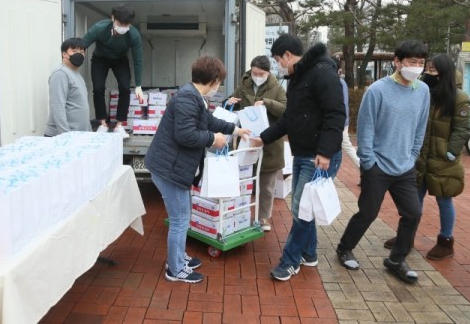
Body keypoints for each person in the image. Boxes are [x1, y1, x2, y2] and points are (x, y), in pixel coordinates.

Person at [144, 55, 251, 283]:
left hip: (173, 167)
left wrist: (235, 130)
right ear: (213, 80)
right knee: (180, 219)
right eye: (219, 81)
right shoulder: (187, 99)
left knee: (183, 216)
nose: (219, 86)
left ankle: (178, 257)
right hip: (169, 170)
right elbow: (186, 135)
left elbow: (209, 121)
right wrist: (214, 139)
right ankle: (175, 269)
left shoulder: (194, 97)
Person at [250, 34, 345, 281]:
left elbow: (336, 115)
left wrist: (325, 153)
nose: (279, 66)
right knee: (306, 206)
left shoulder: (322, 74)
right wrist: (265, 136)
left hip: (318, 156)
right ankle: (309, 254)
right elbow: (289, 119)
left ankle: (290, 261)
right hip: (303, 153)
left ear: (288, 56)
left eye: (279, 61)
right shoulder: (298, 78)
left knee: (300, 208)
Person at [336, 40, 430, 284]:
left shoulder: (422, 91)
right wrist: (368, 162)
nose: (417, 67)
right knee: (368, 212)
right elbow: (365, 129)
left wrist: (412, 156)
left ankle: (396, 259)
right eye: (412, 62)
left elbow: (421, 126)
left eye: (421, 63)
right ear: (397, 62)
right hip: (377, 165)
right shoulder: (377, 90)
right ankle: (344, 247)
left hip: (405, 166)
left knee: (413, 212)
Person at [383, 54, 470, 259]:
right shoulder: (422, 91)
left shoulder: (458, 97)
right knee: (414, 199)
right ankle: (407, 237)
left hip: (442, 159)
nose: (428, 72)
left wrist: (450, 153)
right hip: (420, 156)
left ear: (445, 71)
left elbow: (461, 129)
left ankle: (446, 241)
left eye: (433, 69)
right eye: (427, 68)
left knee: (444, 200)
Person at [226, 55, 287, 232]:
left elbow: (285, 109)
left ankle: (263, 217)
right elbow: (233, 104)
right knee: (243, 181)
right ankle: (239, 214)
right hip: (247, 141)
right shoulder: (245, 85)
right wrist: (229, 101)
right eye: (254, 73)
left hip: (270, 143)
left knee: (266, 185)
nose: (257, 76)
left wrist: (267, 103)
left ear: (268, 73)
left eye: (261, 73)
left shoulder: (276, 87)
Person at [82, 4, 144, 139]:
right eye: (120, 23)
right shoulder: (100, 28)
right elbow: (82, 45)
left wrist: (138, 85)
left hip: (120, 60)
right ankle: (103, 124)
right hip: (100, 59)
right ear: (112, 18)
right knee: (98, 89)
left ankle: (119, 126)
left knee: (125, 88)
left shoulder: (133, 35)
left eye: (126, 24)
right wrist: (75, 56)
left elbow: (138, 60)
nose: (123, 27)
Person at [44, 38, 91, 137]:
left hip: (78, 135)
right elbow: (57, 106)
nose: (78, 54)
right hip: (63, 137)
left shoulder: (76, 74)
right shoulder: (60, 74)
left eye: (82, 52)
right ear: (64, 54)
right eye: (74, 51)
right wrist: (66, 136)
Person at [332, 58, 360, 169]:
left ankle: (363, 168)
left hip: (341, 121)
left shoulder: (338, 82)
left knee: (346, 145)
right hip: (343, 120)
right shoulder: (341, 82)